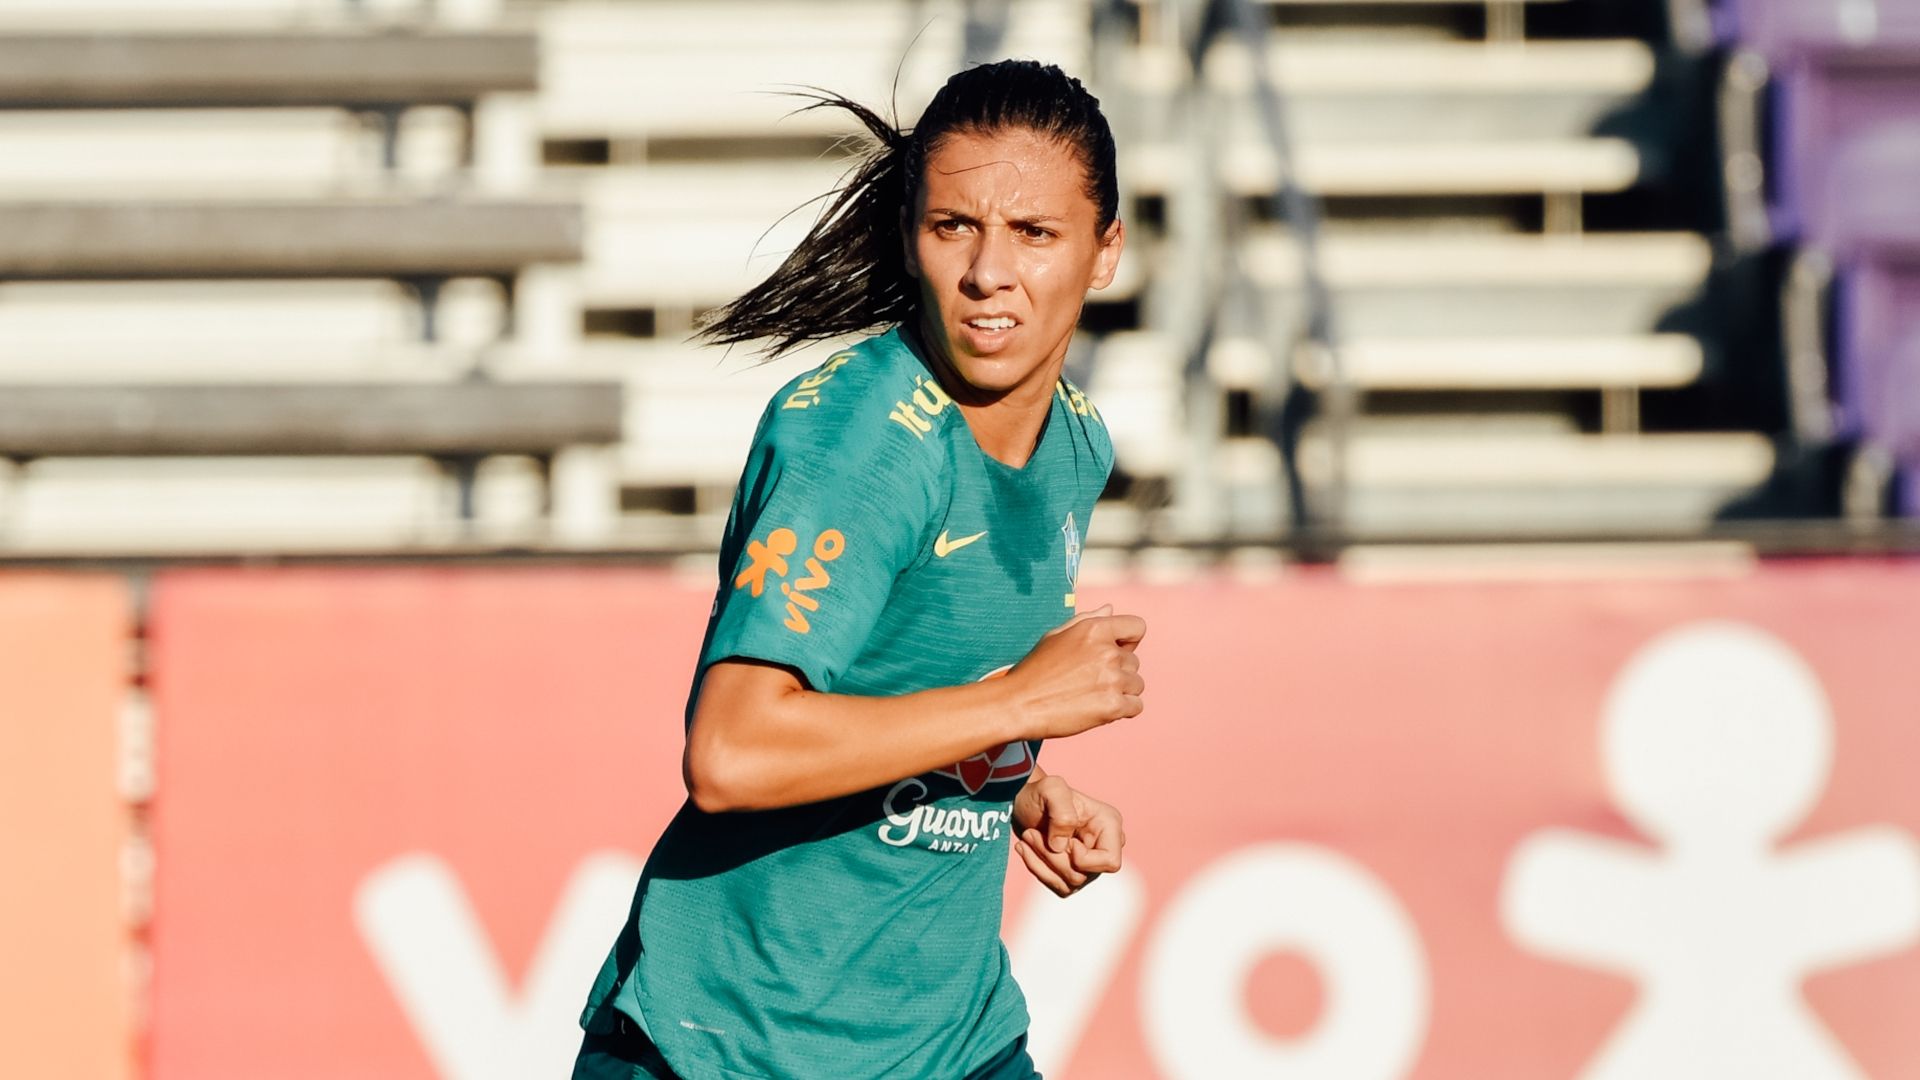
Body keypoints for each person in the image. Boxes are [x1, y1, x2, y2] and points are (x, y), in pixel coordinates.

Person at [574, 58, 1146, 1080]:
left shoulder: (1078, 446)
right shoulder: (862, 445)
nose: (986, 274)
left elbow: (907, 682)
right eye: (953, 226)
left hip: (949, 1041)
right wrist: (1018, 701)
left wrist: (1017, 782)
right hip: (737, 1049)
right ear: (911, 234)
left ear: (1106, 252)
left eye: (1035, 233)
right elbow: (733, 754)